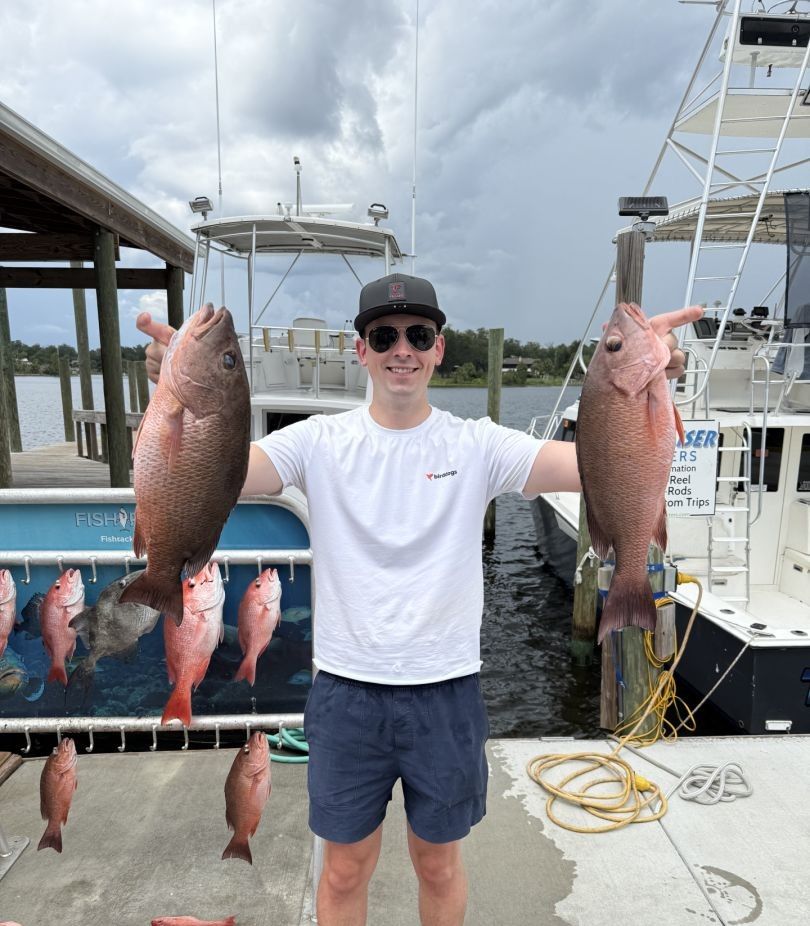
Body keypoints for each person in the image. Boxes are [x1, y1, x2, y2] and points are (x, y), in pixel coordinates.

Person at [138, 274, 701, 926]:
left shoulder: (478, 442)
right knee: (344, 869)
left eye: (418, 335)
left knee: (439, 864)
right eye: (384, 335)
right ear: (361, 351)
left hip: (448, 693)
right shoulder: (317, 440)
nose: (401, 349)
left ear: (439, 349)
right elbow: (219, 473)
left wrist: (648, 392)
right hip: (347, 695)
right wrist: (174, 392)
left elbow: (592, 466)